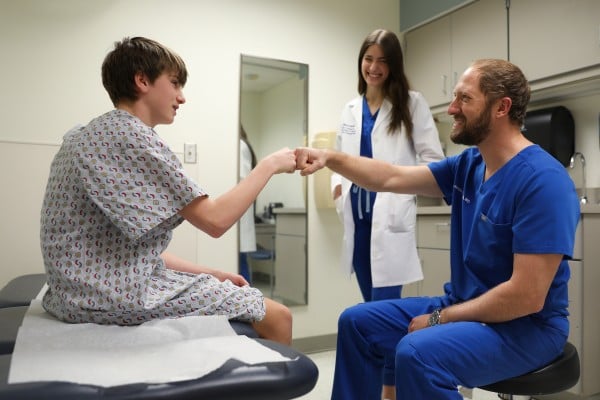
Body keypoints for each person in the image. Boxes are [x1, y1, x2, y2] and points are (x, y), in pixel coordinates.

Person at [296, 59, 580, 399]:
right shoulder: (470, 165)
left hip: (528, 328)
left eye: (464, 99)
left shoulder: (542, 181)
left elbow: (527, 297)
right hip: (464, 304)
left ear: (501, 107)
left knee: (418, 353)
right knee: (357, 323)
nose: (452, 109)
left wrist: (438, 319)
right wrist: (330, 158)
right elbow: (390, 176)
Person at [39, 37, 296, 345]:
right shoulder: (131, 136)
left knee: (237, 293)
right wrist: (270, 164)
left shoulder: (87, 135)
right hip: (115, 296)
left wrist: (209, 272)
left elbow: (134, 249)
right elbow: (215, 220)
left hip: (76, 293)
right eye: (175, 83)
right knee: (279, 316)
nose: (181, 97)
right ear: (142, 80)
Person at [331, 28, 444, 302]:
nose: (374, 67)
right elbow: (338, 159)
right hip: (357, 219)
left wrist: (403, 190)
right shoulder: (351, 109)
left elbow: (434, 162)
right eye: (369, 58)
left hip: (390, 217)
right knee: (369, 304)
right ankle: (376, 347)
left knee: (384, 308)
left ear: (394, 65)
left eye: (383, 60)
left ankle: (389, 347)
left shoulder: (411, 104)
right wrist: (337, 191)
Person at [239, 125, 258, 283]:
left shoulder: (239, 145)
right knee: (240, 262)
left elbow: (243, 179)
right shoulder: (241, 145)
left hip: (238, 215)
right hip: (237, 216)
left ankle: (250, 305)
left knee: (240, 264)